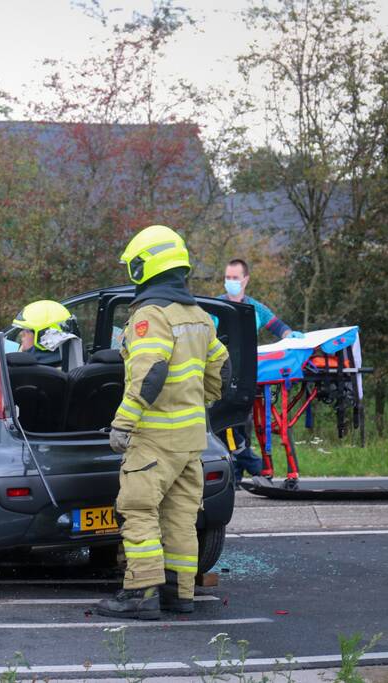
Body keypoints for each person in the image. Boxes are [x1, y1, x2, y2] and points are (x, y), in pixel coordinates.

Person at [96, 225, 230, 620]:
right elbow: (221, 370)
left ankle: (140, 594)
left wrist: (123, 423)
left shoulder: (150, 316)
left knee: (137, 509)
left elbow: (149, 374)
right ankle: (178, 593)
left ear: (145, 266)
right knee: (180, 516)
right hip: (191, 441)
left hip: (154, 437)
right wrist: (197, 402)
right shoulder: (199, 317)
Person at [220, 258, 303, 487]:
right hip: (222, 378)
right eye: (227, 278)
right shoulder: (216, 307)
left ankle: (235, 478)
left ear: (245, 280)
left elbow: (279, 327)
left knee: (242, 428)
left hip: (248, 377)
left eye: (235, 278)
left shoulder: (256, 308)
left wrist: (290, 336)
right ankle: (254, 466)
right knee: (227, 428)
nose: (230, 282)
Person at [10, 300, 80, 367]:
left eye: (27, 330)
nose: (21, 334)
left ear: (42, 337)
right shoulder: (76, 360)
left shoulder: (24, 368)